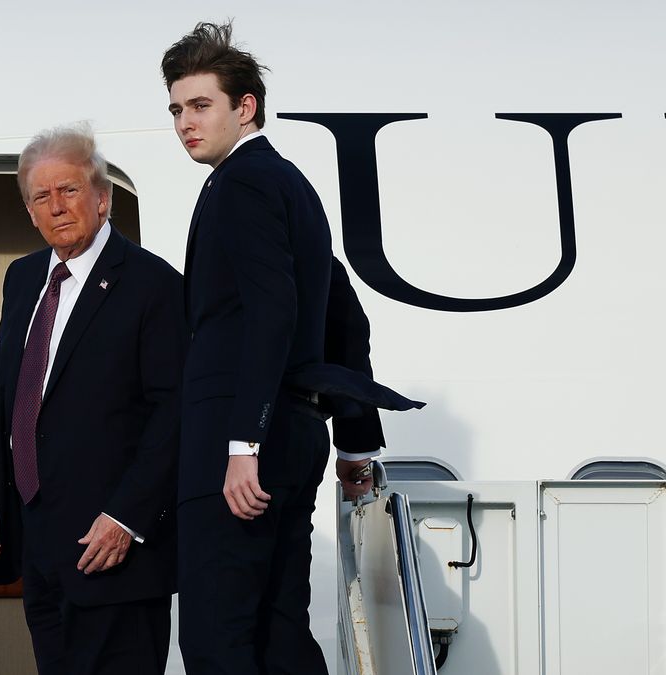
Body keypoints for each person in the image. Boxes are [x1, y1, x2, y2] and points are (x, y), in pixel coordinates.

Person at [161, 22, 423, 673]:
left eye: (201, 105)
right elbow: (346, 317)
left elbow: (272, 313)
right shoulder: (292, 185)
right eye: (176, 109)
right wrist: (355, 443)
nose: (185, 123)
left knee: (218, 636)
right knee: (279, 634)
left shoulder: (241, 183)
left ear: (245, 106)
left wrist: (242, 443)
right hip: (296, 435)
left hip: (244, 443)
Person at [0, 125, 187, 674]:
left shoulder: (153, 284)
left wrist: (127, 517)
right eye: (42, 196)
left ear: (102, 198)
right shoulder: (22, 279)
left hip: (116, 551)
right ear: (30, 212)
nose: (57, 206)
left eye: (69, 190)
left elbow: (175, 412)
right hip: (40, 549)